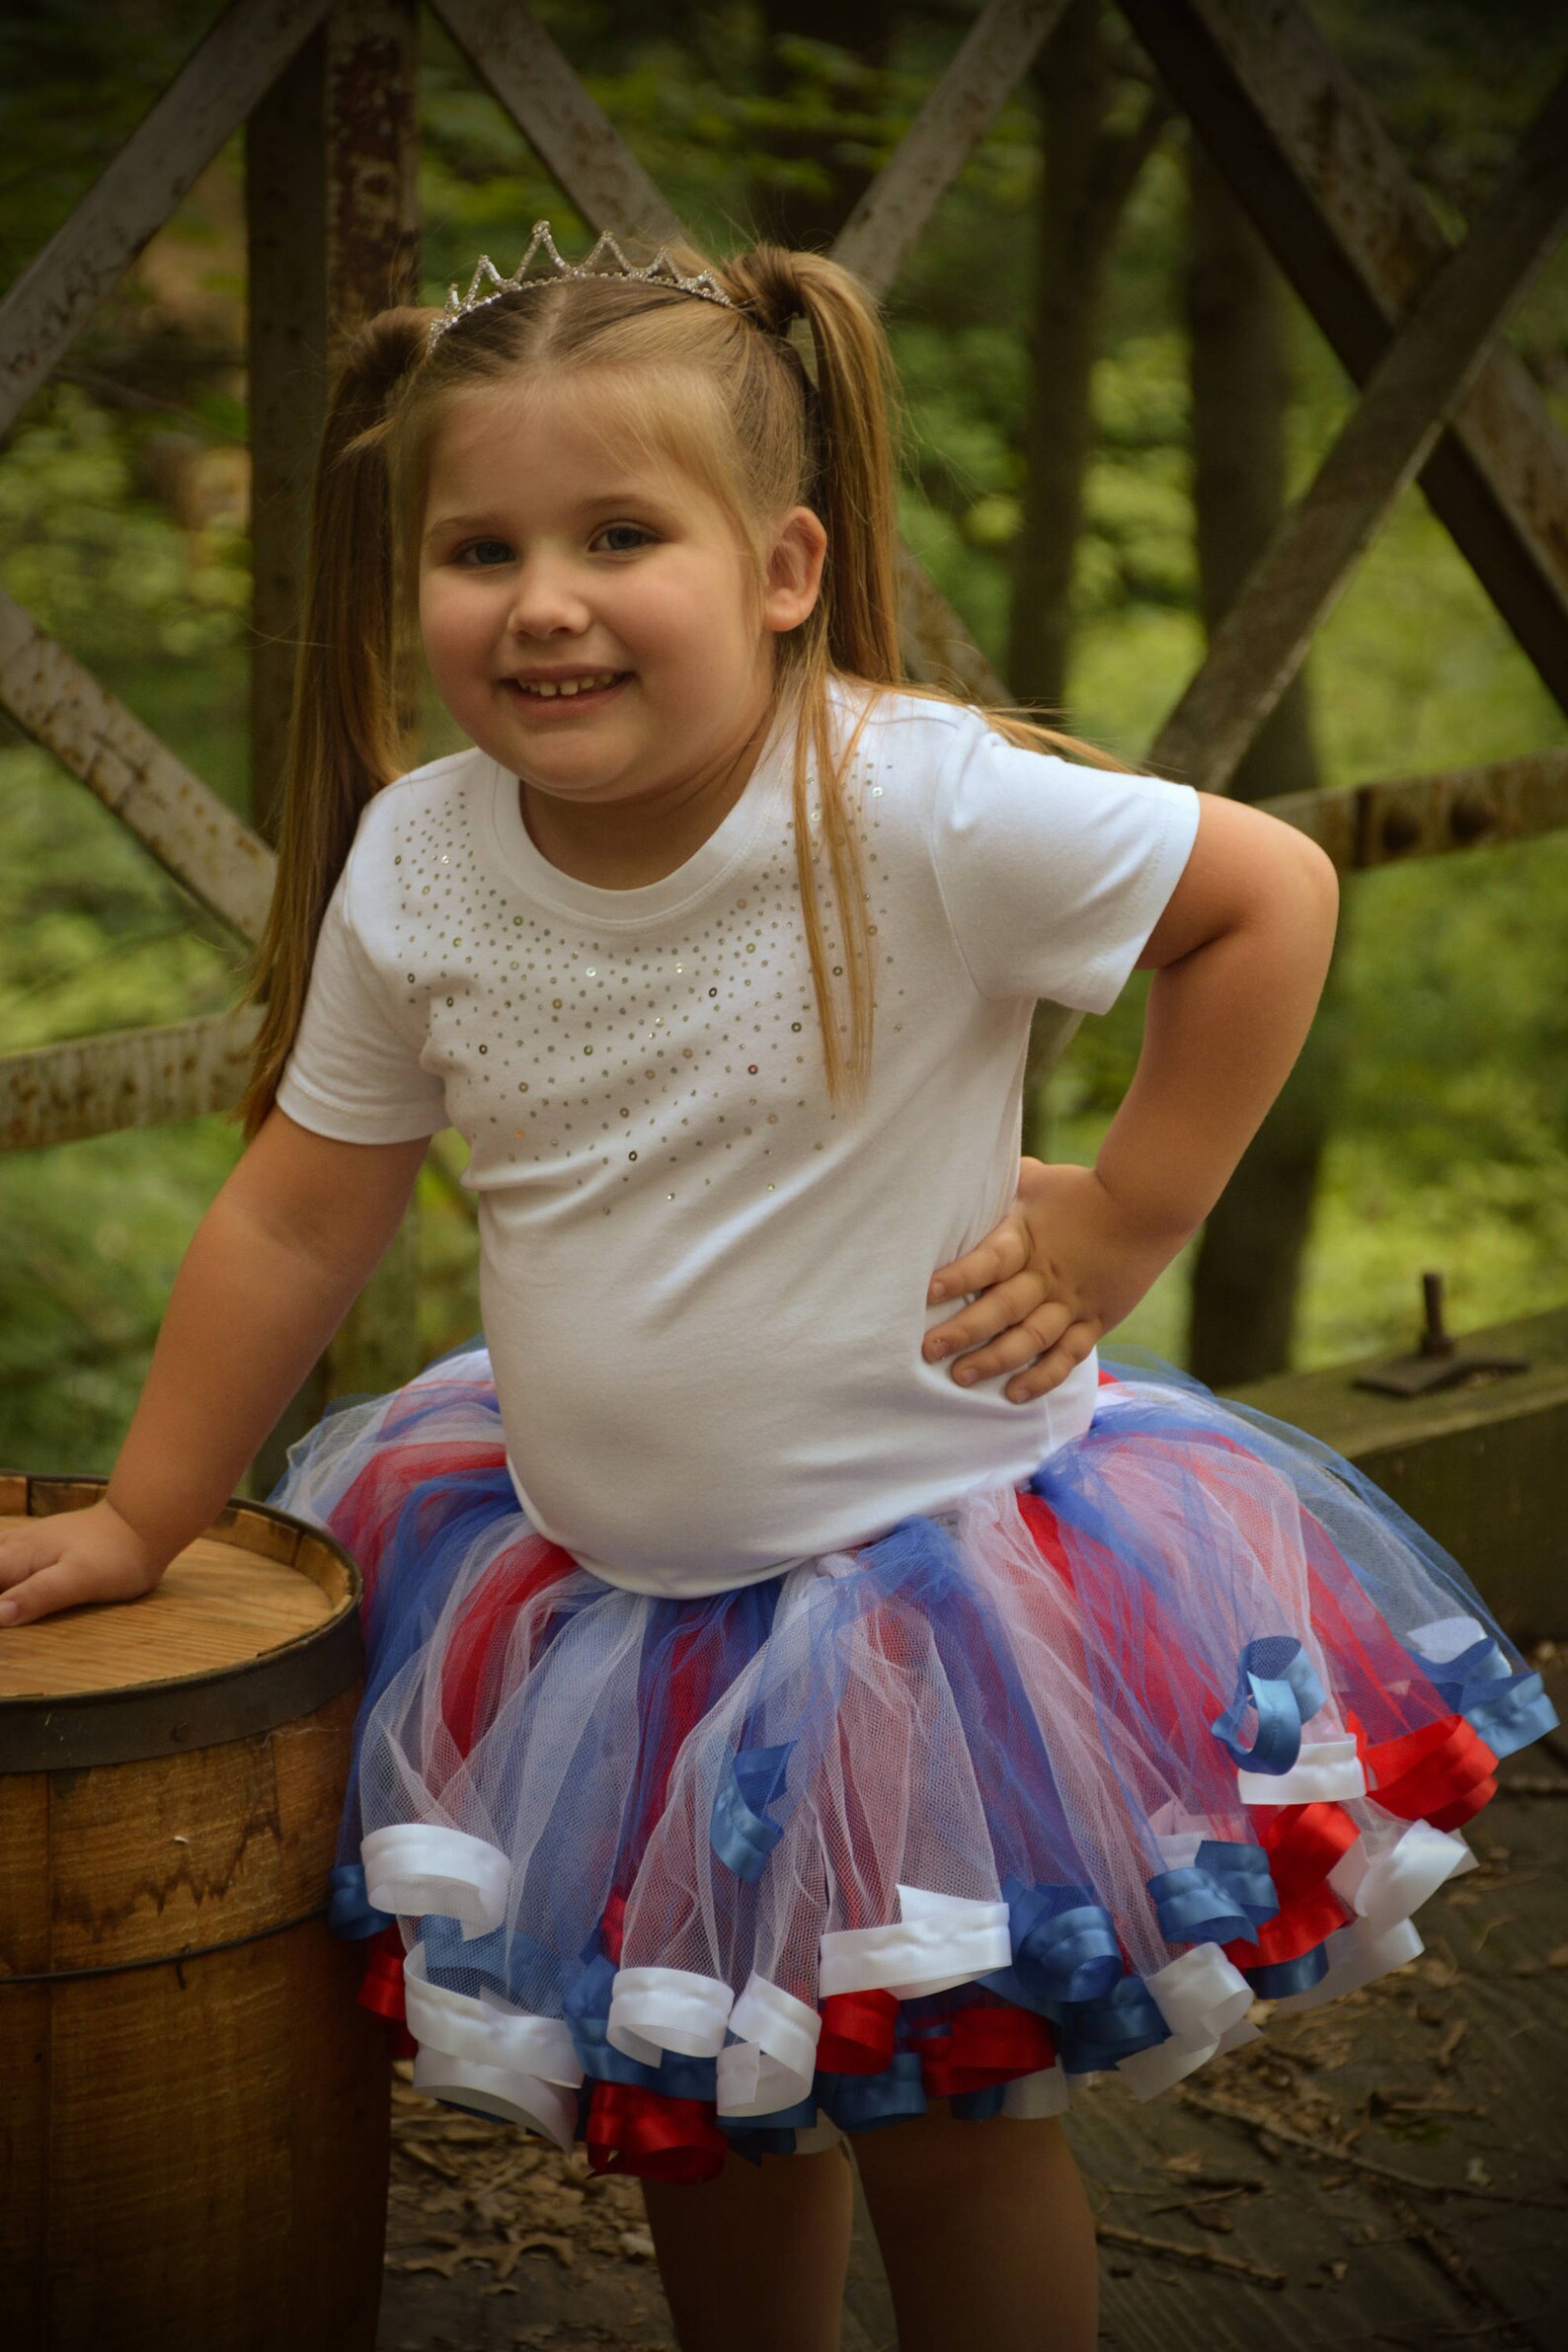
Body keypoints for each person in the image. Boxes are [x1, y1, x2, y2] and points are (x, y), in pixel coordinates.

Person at [0, 224, 1555, 2352]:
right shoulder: (424, 859)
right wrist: (141, 1515)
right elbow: (297, 1208)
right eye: (478, 549)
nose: (539, 598)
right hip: (596, 1623)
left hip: (924, 1629)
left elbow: (1263, 897)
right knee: (695, 2099)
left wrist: (1124, 1212)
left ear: (783, 566)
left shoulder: (907, 804)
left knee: (937, 2121)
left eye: (617, 532)